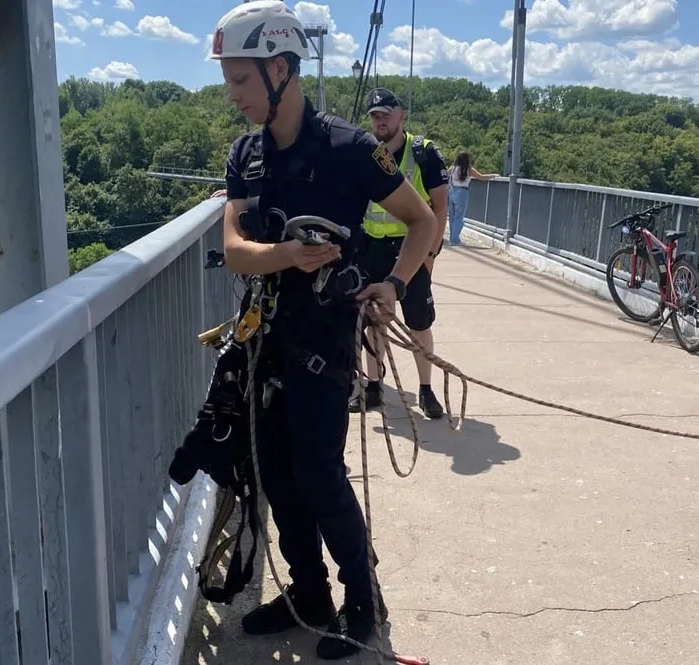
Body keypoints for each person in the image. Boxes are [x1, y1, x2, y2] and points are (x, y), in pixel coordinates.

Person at [210, 1, 437, 660]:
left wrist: (392, 285)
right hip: (266, 339)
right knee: (278, 474)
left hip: (325, 339)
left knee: (318, 472)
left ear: (280, 69)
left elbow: (421, 222)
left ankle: (362, 600)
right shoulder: (246, 156)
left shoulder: (351, 150)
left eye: (241, 81)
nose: (234, 97)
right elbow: (233, 249)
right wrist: (288, 255)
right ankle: (308, 593)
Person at [350, 87, 449, 419]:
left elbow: (440, 205)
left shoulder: (422, 153)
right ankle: (375, 387)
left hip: (411, 251)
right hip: (371, 250)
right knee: (371, 323)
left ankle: (425, 389)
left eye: (386, 114)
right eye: (375, 116)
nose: (380, 121)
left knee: (419, 324)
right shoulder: (362, 153)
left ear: (401, 115)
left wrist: (430, 256)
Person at [447, 150, 498, 245]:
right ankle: (454, 239)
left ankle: (452, 238)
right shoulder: (469, 170)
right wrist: (492, 175)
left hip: (452, 192)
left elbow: (445, 174)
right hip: (462, 192)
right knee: (459, 216)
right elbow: (481, 177)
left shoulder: (453, 168)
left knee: (452, 216)